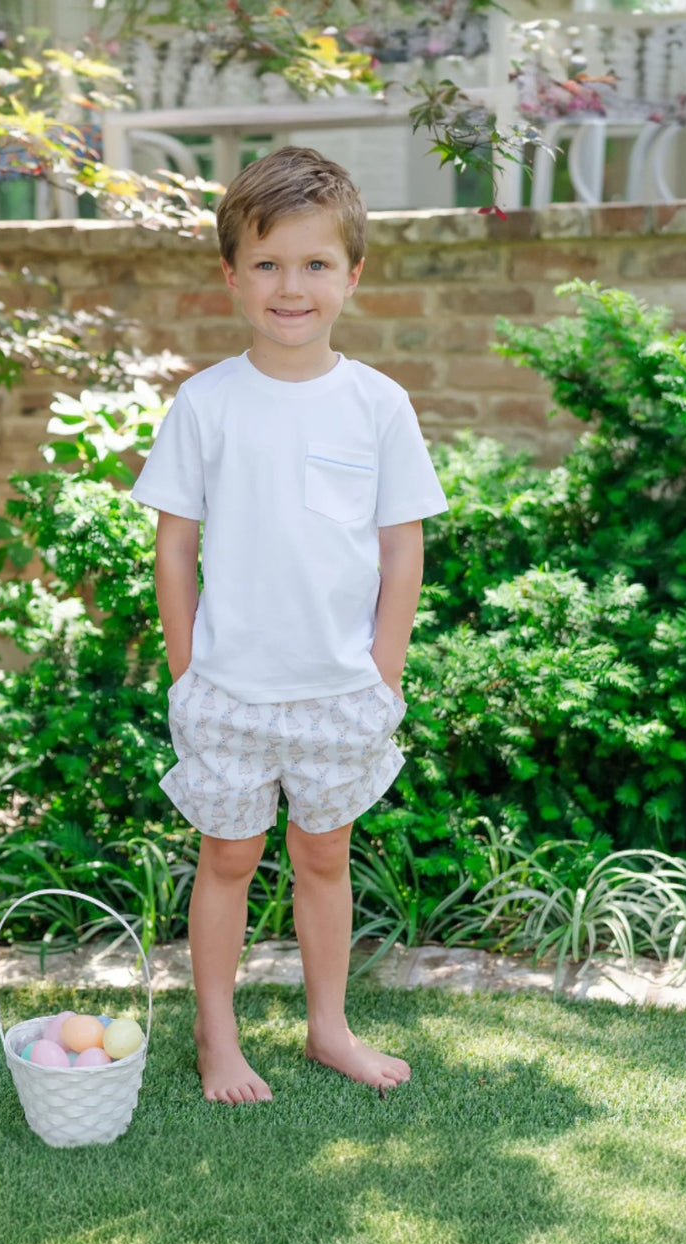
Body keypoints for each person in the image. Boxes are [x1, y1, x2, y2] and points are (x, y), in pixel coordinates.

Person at [131, 146, 448, 1104]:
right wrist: (188, 675)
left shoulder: (379, 405)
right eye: (267, 263)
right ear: (232, 274)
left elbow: (402, 552)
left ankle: (327, 1027)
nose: (290, 285)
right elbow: (175, 549)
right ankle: (216, 1037)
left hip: (340, 691)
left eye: (315, 264)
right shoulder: (207, 403)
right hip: (227, 690)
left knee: (325, 855)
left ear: (352, 275)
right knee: (226, 860)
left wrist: (381, 676)